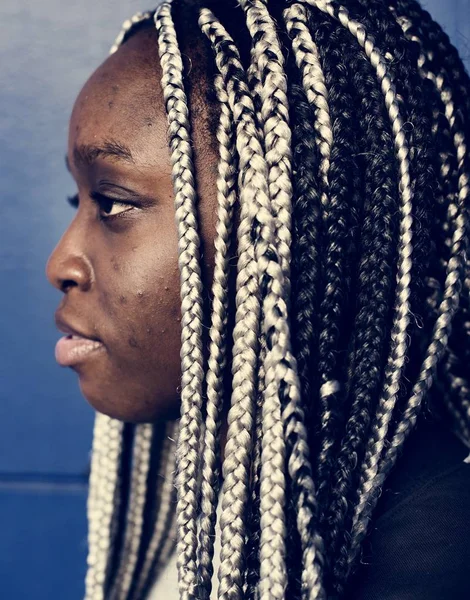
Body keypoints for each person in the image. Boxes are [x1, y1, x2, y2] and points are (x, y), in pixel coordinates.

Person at [46, 0, 470, 598]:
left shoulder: (433, 565)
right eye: (78, 202)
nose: (60, 264)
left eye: (112, 202)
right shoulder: (205, 484)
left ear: (297, 229)